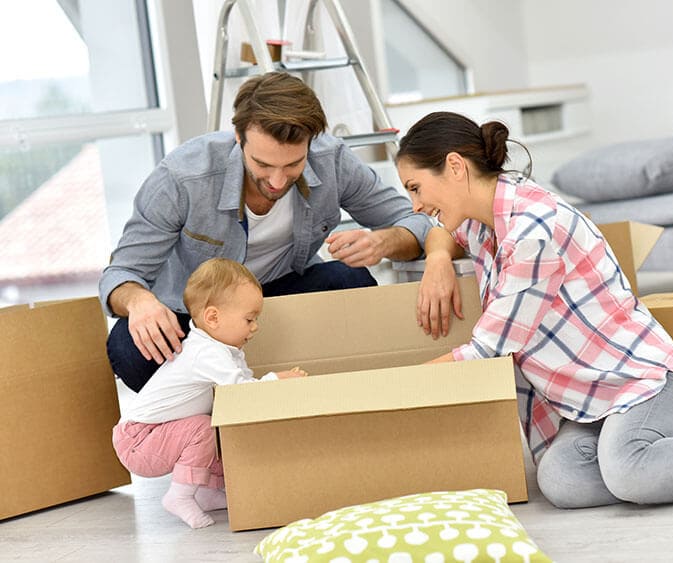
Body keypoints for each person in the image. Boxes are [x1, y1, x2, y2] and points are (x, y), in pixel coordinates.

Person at [394, 110, 673, 509]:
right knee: (561, 481)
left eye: (416, 187)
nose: (415, 204)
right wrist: (437, 261)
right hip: (587, 406)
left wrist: (389, 391)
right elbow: (441, 233)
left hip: (646, 385)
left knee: (627, 470)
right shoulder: (485, 222)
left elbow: (487, 351)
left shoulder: (532, 230)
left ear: (454, 167)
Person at [100, 72, 460, 393]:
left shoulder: (331, 159)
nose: (276, 181)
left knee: (349, 279)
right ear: (238, 138)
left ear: (311, 143)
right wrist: (139, 301)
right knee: (129, 350)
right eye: (263, 164)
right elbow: (121, 273)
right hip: (196, 319)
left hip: (279, 299)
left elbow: (418, 219)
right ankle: (229, 408)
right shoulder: (182, 178)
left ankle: (321, 393)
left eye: (292, 165)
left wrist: (385, 241)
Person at [112, 258, 307, 529]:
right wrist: (277, 380)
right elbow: (243, 394)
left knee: (218, 426)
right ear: (213, 317)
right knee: (204, 427)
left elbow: (242, 392)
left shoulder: (224, 349)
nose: (255, 327)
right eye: (249, 319)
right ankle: (179, 496)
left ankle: (205, 490)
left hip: (152, 435)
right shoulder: (207, 353)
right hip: (138, 440)